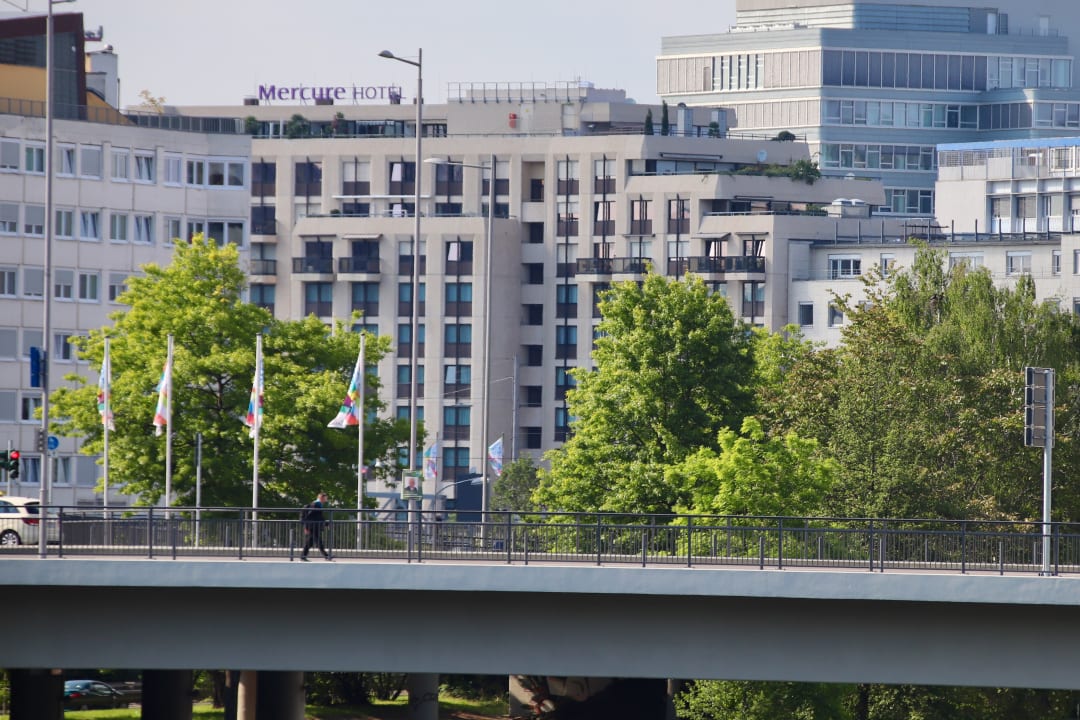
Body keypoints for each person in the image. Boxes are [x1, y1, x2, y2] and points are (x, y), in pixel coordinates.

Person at [301, 492, 330, 561]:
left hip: (313, 525)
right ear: (321, 498)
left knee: (310, 542)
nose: (326, 499)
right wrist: (326, 523)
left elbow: (315, 516)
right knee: (318, 541)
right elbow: (315, 516)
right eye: (326, 498)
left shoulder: (316, 504)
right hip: (314, 526)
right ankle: (326, 555)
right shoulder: (317, 504)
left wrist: (306, 526)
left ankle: (303, 556)